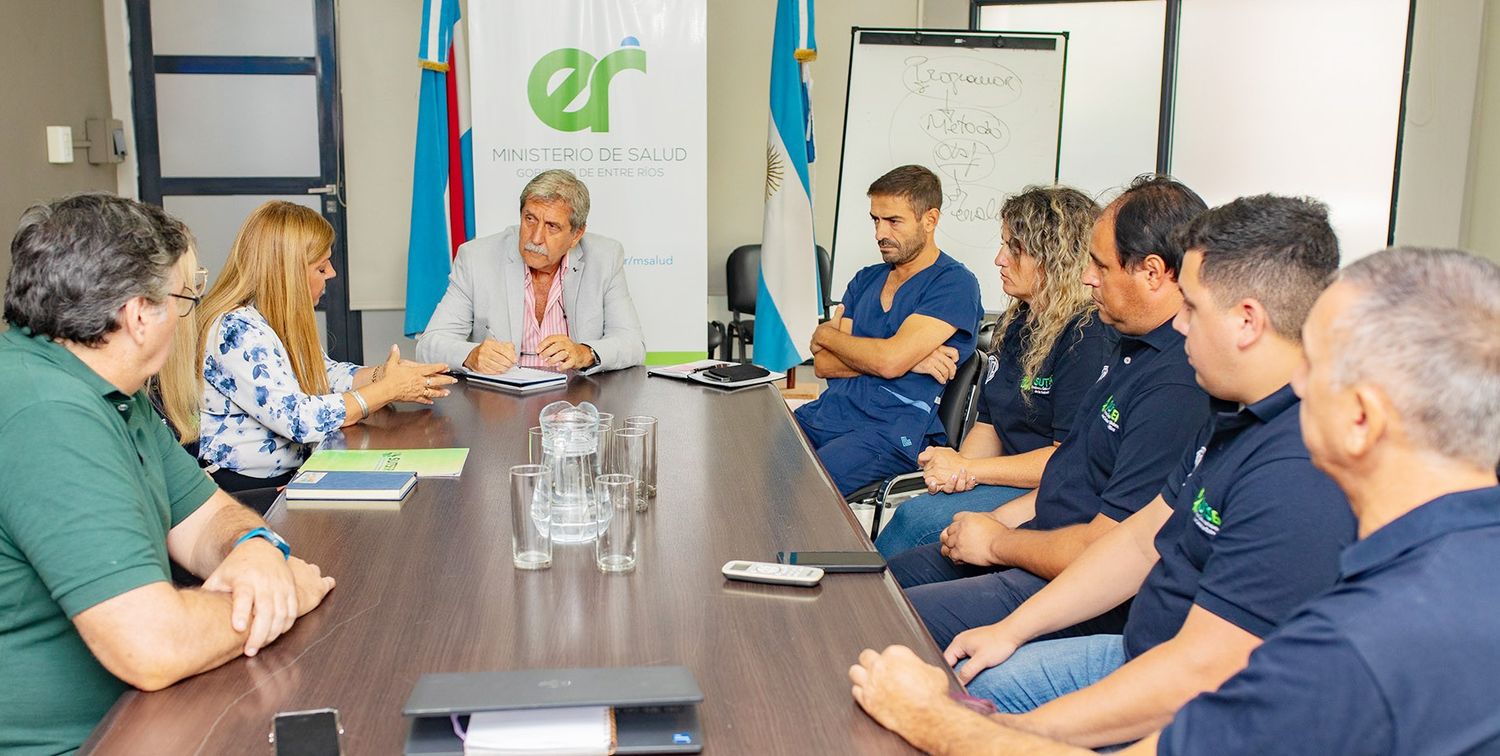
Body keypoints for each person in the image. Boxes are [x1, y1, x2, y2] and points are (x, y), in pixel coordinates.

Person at [848, 247, 1500, 756]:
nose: (1295, 379)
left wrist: (935, 720)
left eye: (1315, 363)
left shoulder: (1356, 644)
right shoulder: (1446, 561)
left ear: (1360, 417)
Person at [940, 195, 1355, 748]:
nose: (1178, 323)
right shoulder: (1232, 410)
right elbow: (1141, 542)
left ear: (1247, 322)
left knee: (959, 708)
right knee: (974, 670)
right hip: (1142, 647)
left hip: (1192, 694)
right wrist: (1010, 631)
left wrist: (996, 735)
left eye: (1194, 308)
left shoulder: (1299, 468)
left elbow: (1202, 676)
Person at [0, 194, 336, 755]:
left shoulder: (111, 390)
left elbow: (205, 517)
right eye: (184, 298)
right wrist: (282, 594)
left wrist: (252, 547)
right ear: (137, 316)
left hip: (145, 716)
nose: (190, 318)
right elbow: (151, 644)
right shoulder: (47, 413)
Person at [888, 175, 1211, 649]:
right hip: (1040, 536)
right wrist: (996, 520)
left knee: (893, 617)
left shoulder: (1171, 381)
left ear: (1153, 272)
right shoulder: (1128, 349)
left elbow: (1108, 548)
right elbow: (1065, 475)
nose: (1087, 277)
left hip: (1072, 578)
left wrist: (997, 539)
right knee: (889, 578)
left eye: (1100, 265)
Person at [875, 185, 1115, 556]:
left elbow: (1065, 461)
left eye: (1014, 249)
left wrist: (971, 469)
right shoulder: (1016, 321)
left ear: (1054, 257)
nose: (1000, 259)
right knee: (917, 517)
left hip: (1048, 492)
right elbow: (989, 426)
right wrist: (960, 472)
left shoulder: (1086, 336)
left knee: (917, 525)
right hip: (1007, 480)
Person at [195, 201, 454, 491]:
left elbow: (325, 375)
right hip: (247, 491)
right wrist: (387, 390)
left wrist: (384, 374)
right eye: (321, 267)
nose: (331, 273)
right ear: (287, 272)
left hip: (292, 474)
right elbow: (298, 419)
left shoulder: (275, 317)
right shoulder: (236, 329)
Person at [793, 165, 984, 496]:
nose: (880, 232)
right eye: (875, 220)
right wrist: (910, 359)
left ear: (930, 219)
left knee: (806, 489)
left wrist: (829, 336)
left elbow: (888, 362)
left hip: (890, 432)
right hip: (830, 413)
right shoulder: (865, 278)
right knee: (754, 462)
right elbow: (824, 366)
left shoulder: (954, 284)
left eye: (893, 221)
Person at [415, 168, 646, 373]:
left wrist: (584, 353)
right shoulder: (476, 258)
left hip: (575, 405)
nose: (535, 237)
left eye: (552, 226)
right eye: (530, 219)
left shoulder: (605, 257)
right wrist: (471, 355)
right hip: (500, 404)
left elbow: (632, 343)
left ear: (576, 235)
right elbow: (429, 345)